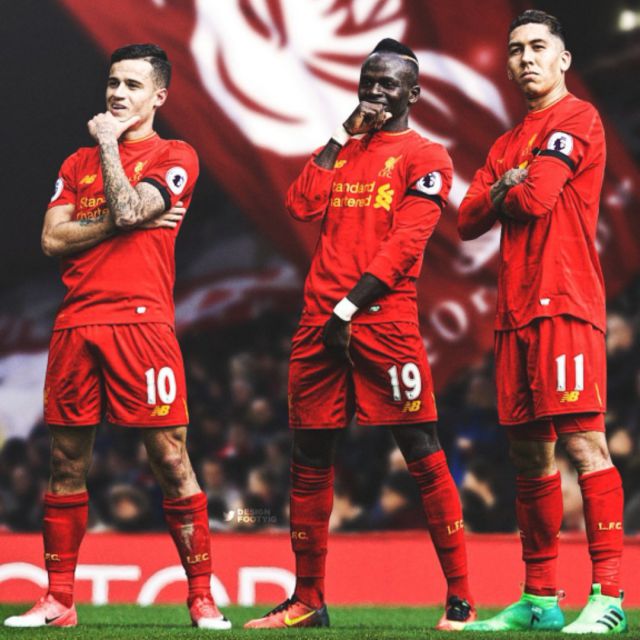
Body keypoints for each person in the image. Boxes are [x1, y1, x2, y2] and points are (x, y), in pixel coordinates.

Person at [245, 38, 475, 631]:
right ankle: (308, 599)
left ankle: (461, 597)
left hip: (382, 321)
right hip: (319, 321)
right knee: (309, 457)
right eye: (368, 80)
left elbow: (405, 246)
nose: (375, 90)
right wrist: (340, 135)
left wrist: (348, 309)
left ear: (412, 94)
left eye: (387, 83)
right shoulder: (343, 150)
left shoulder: (427, 157)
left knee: (421, 450)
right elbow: (300, 205)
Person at [4, 44, 230, 630]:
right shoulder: (74, 163)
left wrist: (110, 146)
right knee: (65, 461)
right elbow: (52, 240)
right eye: (112, 83)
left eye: (132, 85)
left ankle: (201, 596)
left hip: (143, 324)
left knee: (171, 458)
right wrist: (125, 218)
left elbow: (129, 210)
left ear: (159, 96)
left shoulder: (177, 155)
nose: (117, 94)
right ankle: (59, 600)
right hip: (77, 322)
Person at [458, 10, 625, 634]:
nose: (525, 57)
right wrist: (506, 184)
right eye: (515, 49)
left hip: (567, 302)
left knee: (585, 445)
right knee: (530, 456)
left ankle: (609, 596)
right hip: (515, 312)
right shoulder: (505, 144)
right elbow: (466, 219)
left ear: (563, 60)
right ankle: (540, 598)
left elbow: (535, 198)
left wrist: (501, 190)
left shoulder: (577, 117)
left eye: (537, 47)